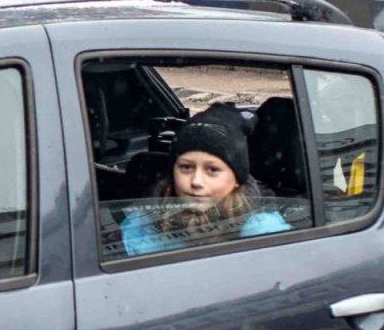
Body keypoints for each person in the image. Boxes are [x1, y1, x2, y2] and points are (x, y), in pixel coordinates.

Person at [120, 104, 292, 256]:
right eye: (186, 167)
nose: (196, 181)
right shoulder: (140, 226)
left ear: (237, 180)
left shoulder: (261, 233)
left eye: (212, 170)